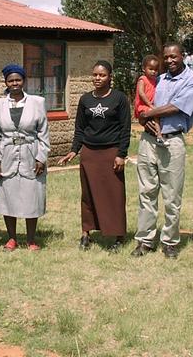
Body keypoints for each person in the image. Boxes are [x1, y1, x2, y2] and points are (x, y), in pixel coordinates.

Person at [132, 42, 193, 259]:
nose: (170, 60)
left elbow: (178, 107)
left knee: (172, 196)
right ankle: (145, 240)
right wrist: (143, 119)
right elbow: (141, 103)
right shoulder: (159, 79)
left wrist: (149, 114)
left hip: (172, 142)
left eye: (174, 56)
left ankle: (170, 241)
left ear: (183, 56)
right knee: (147, 192)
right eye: (167, 57)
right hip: (148, 141)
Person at [58, 60, 131, 253]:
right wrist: (74, 150)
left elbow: (125, 128)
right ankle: (86, 233)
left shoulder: (119, 99)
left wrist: (121, 154)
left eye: (102, 75)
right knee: (88, 195)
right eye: (95, 75)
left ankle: (118, 235)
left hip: (111, 153)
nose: (97, 78)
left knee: (114, 195)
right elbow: (80, 128)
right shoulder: (85, 100)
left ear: (110, 77)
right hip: (89, 154)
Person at [0, 64, 50, 251]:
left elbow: (43, 133)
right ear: (6, 82)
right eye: (11, 80)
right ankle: (12, 238)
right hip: (7, 157)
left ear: (24, 81)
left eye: (18, 80)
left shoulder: (37, 102)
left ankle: (31, 239)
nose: (14, 83)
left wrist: (41, 158)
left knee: (32, 197)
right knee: (9, 197)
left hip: (31, 156)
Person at [134, 54, 167, 147]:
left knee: (155, 117)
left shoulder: (155, 80)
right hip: (142, 105)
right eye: (151, 69)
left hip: (148, 105)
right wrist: (150, 105)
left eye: (156, 70)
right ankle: (159, 136)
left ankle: (158, 135)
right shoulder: (142, 79)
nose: (154, 72)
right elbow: (141, 93)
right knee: (156, 114)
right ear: (144, 69)